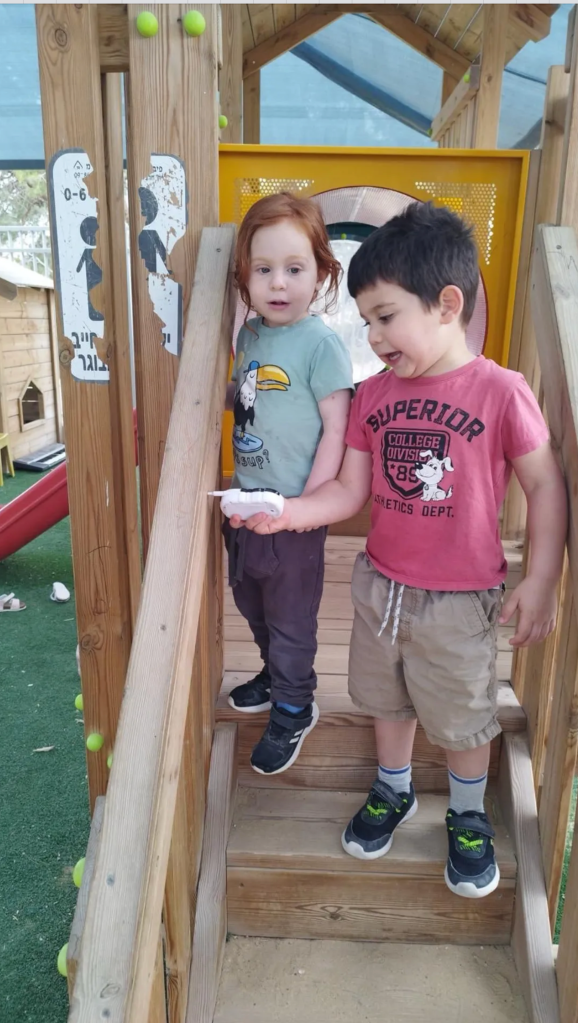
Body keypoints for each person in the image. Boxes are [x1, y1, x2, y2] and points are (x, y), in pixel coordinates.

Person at [232, 202, 567, 897]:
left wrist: (539, 578)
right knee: (386, 699)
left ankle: (468, 814)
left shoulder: (501, 391)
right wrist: (289, 513)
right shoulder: (374, 396)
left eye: (386, 316)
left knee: (461, 713)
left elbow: (544, 484)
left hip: (460, 599)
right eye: (366, 321)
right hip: (380, 585)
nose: (374, 336)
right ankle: (393, 788)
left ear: (447, 304)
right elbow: (348, 489)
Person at [223, 192, 354, 777]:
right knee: (250, 600)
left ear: (320, 273)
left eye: (295, 269)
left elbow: (336, 428)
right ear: (244, 276)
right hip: (244, 504)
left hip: (294, 515)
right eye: (264, 269)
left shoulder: (321, 344)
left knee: (290, 618)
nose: (278, 283)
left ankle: (296, 706)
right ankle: (274, 674)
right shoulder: (250, 335)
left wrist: (309, 504)